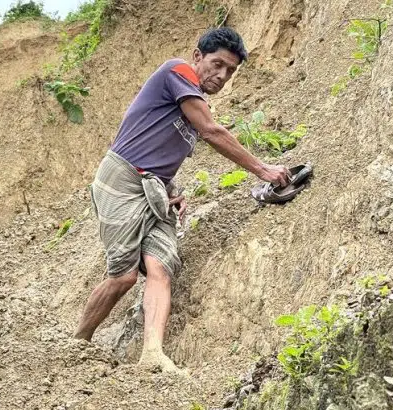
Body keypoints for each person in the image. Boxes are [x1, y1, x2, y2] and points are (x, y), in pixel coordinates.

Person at [74, 27, 290, 373]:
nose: (221, 75)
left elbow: (158, 147)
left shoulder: (191, 104)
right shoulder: (177, 72)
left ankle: (153, 354)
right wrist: (262, 169)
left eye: (230, 71)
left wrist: (172, 189)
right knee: (125, 276)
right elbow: (211, 131)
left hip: (155, 188)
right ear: (197, 57)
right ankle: (78, 342)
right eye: (217, 64)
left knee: (160, 268)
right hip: (121, 180)